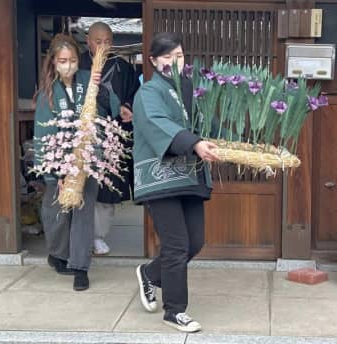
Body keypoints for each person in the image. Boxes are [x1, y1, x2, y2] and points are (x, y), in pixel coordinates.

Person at [132, 32, 219, 333]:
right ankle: (175, 311)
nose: (174, 61)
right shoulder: (148, 93)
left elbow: (204, 123)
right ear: (154, 61)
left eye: (179, 55)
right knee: (176, 244)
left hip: (190, 174)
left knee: (194, 242)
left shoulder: (190, 89)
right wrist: (193, 143)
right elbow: (157, 123)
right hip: (160, 178)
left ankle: (149, 273)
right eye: (167, 57)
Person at [33, 34, 117, 291]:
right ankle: (58, 253)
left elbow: (109, 107)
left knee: (83, 211)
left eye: (71, 60)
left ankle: (80, 267)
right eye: (62, 60)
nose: (68, 65)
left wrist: (101, 92)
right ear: (54, 62)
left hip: (87, 157)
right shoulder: (49, 90)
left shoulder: (87, 79)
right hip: (59, 159)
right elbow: (43, 132)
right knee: (55, 211)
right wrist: (53, 171)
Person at [80, 22, 140, 255]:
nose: (103, 46)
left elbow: (134, 93)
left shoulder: (122, 67)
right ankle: (79, 236)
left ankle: (98, 236)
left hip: (112, 136)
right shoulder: (79, 64)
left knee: (106, 188)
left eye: (107, 41)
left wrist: (127, 106)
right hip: (84, 134)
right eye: (98, 41)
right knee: (82, 186)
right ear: (88, 41)